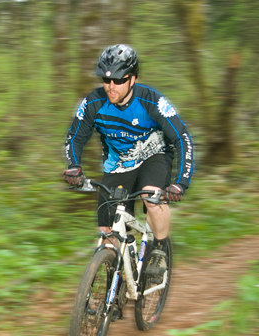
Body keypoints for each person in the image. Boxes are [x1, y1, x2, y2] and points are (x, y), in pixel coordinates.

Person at [62, 44, 194, 275]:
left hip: (154, 156)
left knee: (151, 197)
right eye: (106, 79)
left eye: (119, 80)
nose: (111, 86)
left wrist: (180, 182)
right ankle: (111, 294)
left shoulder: (151, 101)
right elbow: (75, 137)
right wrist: (74, 167)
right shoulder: (93, 103)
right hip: (119, 164)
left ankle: (160, 249)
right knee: (107, 231)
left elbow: (182, 138)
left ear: (133, 79)